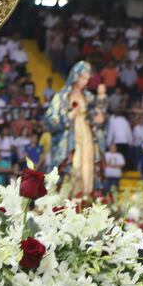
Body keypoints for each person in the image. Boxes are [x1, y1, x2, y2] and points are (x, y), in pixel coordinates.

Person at [44, 61, 106, 197]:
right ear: (75, 76)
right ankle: (68, 198)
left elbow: (97, 117)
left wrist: (100, 107)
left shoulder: (89, 97)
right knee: (74, 166)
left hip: (87, 135)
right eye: (82, 77)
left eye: (87, 79)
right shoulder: (61, 97)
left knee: (87, 167)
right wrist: (69, 116)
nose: (84, 81)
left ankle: (84, 198)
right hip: (70, 136)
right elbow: (50, 120)